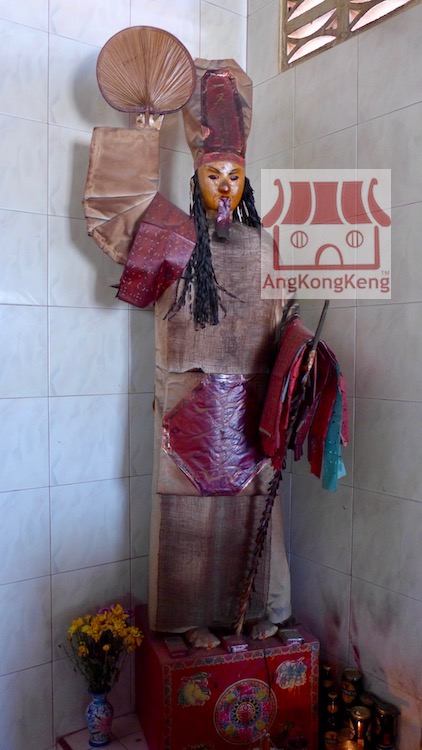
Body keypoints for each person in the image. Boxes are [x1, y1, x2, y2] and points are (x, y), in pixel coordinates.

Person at [147, 59, 291, 647]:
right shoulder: (175, 237)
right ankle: (188, 619)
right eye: (214, 175)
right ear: (196, 180)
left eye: (235, 175)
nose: (225, 185)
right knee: (188, 518)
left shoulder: (267, 245)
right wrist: (145, 133)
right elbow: (121, 231)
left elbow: (283, 321)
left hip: (251, 406)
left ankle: (255, 612)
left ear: (247, 181)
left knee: (252, 514)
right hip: (190, 401)